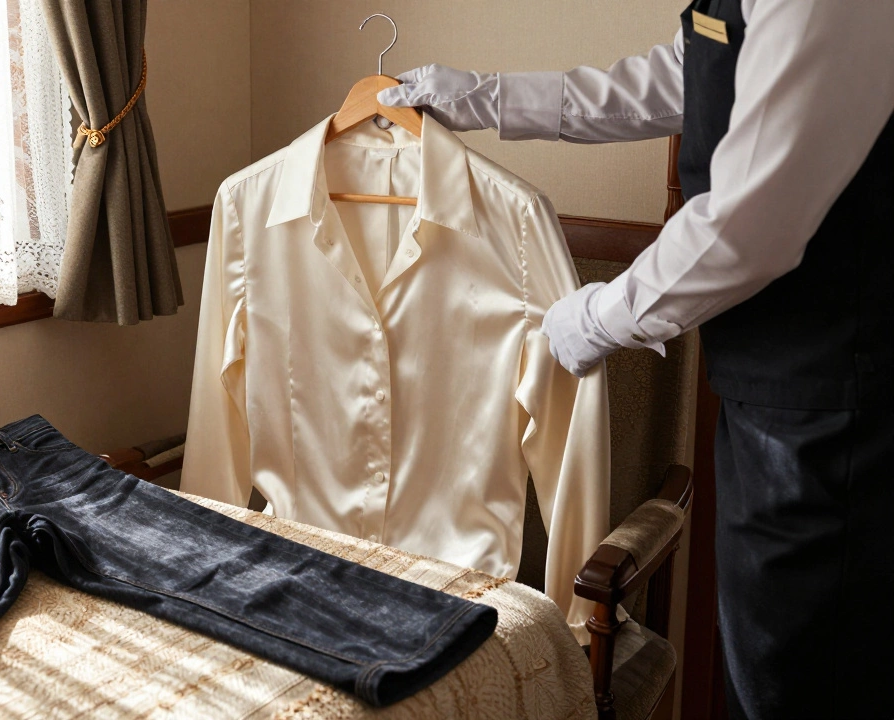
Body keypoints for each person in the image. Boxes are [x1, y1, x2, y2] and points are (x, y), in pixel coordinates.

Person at [377, 2, 894, 719]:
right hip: (770, 382)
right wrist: (490, 98)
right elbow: (682, 75)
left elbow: (753, 220)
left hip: (829, 393)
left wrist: (596, 319)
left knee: (794, 679)